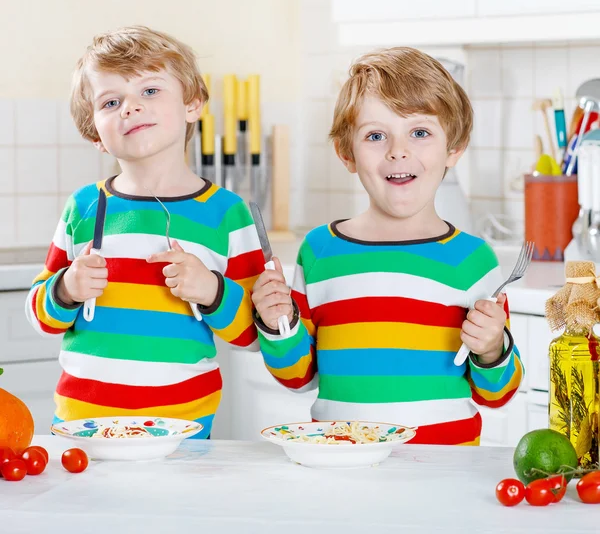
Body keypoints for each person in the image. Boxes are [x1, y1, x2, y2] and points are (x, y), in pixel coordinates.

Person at [252, 47, 524, 445]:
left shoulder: (471, 259)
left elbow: (498, 393)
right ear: (347, 153)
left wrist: (492, 347)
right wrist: (277, 323)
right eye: (376, 135)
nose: (398, 150)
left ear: (453, 148)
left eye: (420, 132)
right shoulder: (321, 251)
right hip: (344, 467)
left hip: (444, 474)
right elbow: (297, 377)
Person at [26, 26, 263, 438]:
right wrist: (65, 287)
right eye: (111, 101)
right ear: (95, 134)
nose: (130, 108)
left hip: (183, 433)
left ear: (193, 105)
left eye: (150, 91)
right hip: (83, 430)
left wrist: (211, 290)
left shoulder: (228, 214)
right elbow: (39, 315)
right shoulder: (84, 207)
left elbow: (255, 336)